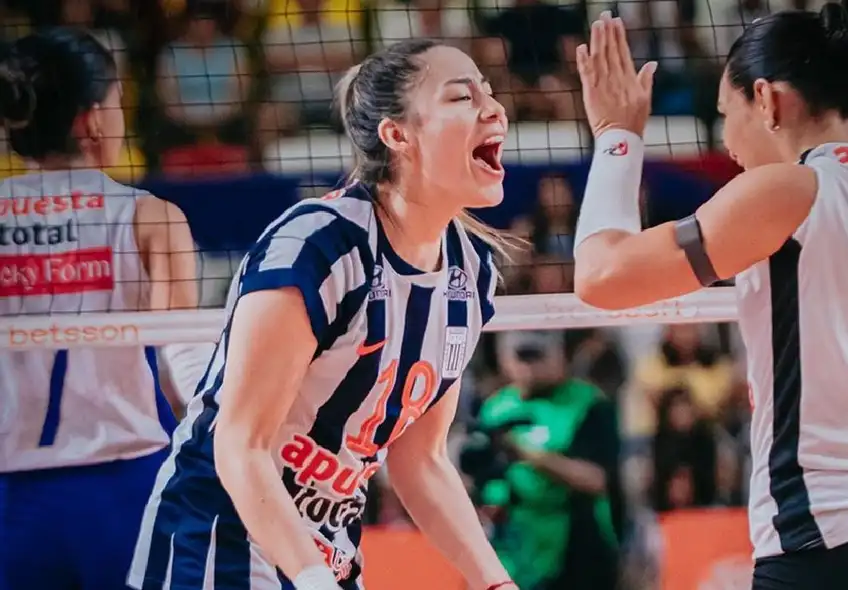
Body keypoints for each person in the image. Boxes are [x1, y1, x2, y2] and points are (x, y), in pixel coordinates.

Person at [572, 4, 848, 589]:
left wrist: (617, 136)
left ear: (768, 100)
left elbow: (601, 276)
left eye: (726, 114)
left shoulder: (790, 190)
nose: (727, 141)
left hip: (838, 534)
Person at [128, 39, 518, 590]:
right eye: (462, 97)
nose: (494, 109)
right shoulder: (317, 244)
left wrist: (496, 582)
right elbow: (240, 445)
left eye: (489, 92)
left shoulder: (471, 273)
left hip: (326, 550)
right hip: (218, 541)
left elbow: (421, 462)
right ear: (398, 135)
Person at [0, 28, 203, 590]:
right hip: (124, 485)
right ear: (92, 120)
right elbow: (182, 363)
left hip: (11, 493)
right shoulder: (152, 217)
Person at [461, 331, 620, 590]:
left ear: (561, 355)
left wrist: (529, 454)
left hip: (577, 544)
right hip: (512, 545)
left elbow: (596, 479)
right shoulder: (495, 408)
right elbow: (479, 472)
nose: (530, 367)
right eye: (522, 356)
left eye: (538, 356)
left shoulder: (588, 403)